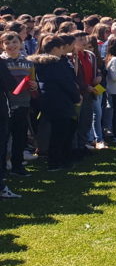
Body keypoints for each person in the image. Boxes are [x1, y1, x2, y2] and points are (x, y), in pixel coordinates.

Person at [30, 36, 81, 172]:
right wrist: (76, 97)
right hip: (60, 100)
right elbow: (66, 83)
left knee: (62, 130)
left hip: (48, 100)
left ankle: (60, 159)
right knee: (62, 132)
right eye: (61, 48)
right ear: (54, 49)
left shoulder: (40, 64)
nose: (63, 50)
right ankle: (56, 161)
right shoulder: (56, 64)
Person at [2, 32, 33, 190]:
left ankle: (17, 166)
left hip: (23, 102)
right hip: (6, 104)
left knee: (20, 136)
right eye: (7, 43)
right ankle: (3, 169)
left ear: (21, 43)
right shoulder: (2, 62)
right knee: (4, 138)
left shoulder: (28, 62)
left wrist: (33, 85)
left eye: (14, 42)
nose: (11, 46)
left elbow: (33, 80)